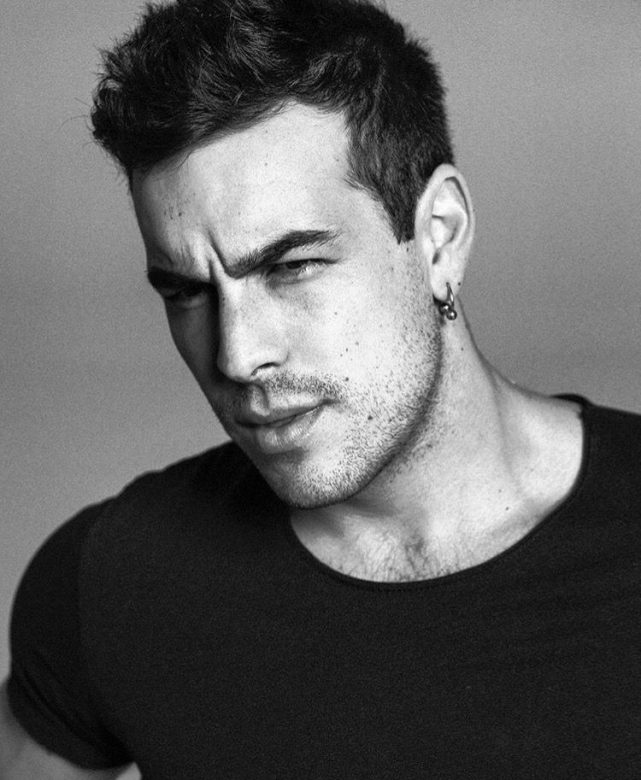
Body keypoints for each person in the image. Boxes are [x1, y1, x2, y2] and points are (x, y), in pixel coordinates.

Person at [2, 0, 640, 776]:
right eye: (186, 292)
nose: (239, 356)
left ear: (438, 236)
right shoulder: (110, 581)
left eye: (291, 267)